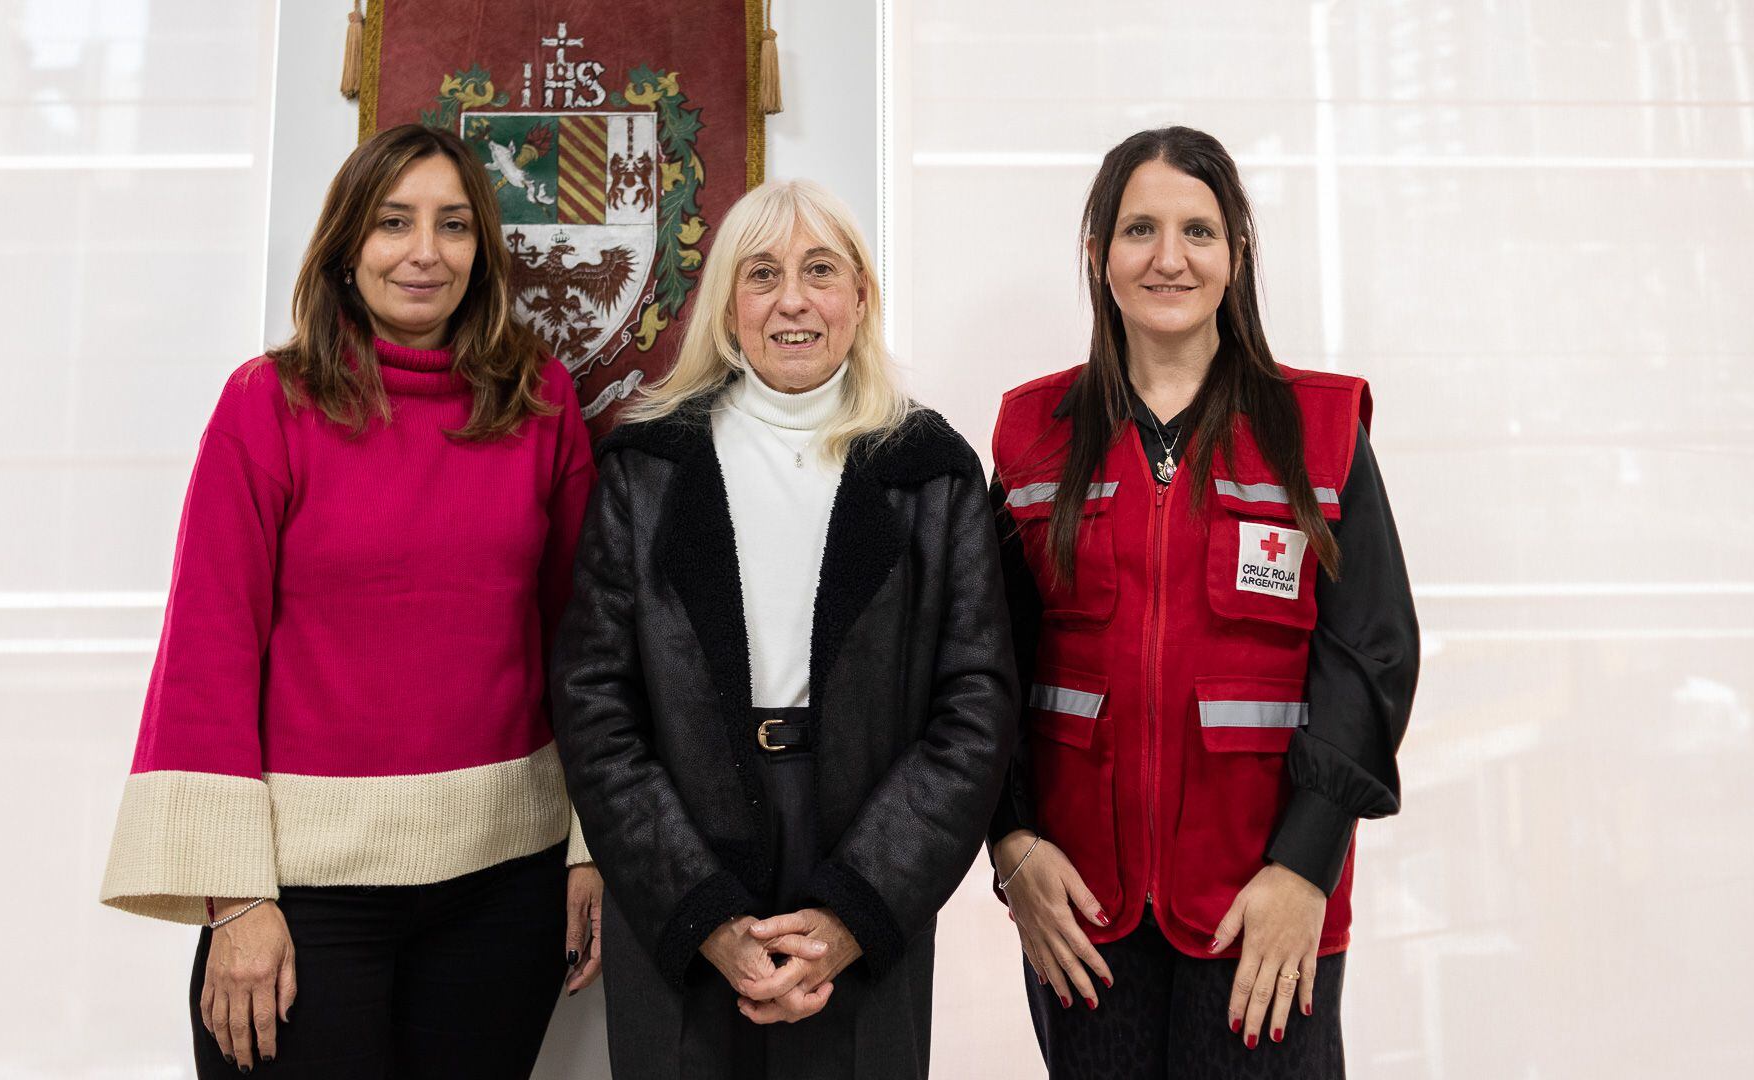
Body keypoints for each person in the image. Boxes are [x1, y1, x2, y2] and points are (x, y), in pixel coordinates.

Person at [98, 123, 602, 1077]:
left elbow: (583, 640)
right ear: (343, 248)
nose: (425, 252)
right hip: (302, 895)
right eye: (392, 223)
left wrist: (591, 843)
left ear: (482, 250)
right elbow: (208, 652)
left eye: (453, 225)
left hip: (506, 886)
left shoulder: (540, 400)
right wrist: (234, 901)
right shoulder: (265, 405)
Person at [549, 178, 1017, 1079]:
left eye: (820, 271)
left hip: (865, 839)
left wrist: (854, 909)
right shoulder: (646, 468)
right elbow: (594, 706)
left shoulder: (930, 469)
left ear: (860, 298)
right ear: (730, 302)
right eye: (763, 273)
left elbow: (976, 708)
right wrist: (702, 913)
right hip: (678, 841)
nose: (793, 299)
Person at [988, 126, 1419, 1078]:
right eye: (1139, 229)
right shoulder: (1032, 435)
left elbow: (1371, 658)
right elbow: (987, 667)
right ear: (1099, 257)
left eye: (1199, 231)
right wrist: (1012, 844)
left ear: (1238, 257)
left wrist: (1306, 866)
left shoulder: (1322, 429)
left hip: (1262, 904)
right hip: (1084, 913)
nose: (1169, 258)